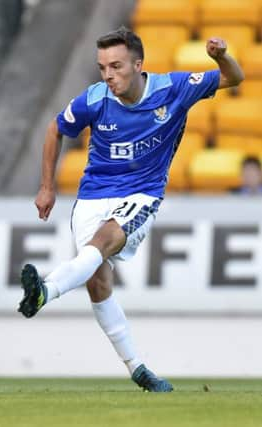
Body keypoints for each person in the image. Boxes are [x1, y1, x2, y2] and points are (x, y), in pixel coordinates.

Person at [17, 27, 244, 392]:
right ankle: (138, 369)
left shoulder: (174, 89)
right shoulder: (94, 99)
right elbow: (54, 129)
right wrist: (46, 187)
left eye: (116, 66)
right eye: (102, 67)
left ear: (138, 65)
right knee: (97, 280)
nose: (108, 75)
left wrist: (220, 57)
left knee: (103, 242)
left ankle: (45, 291)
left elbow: (235, 77)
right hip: (92, 195)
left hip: (142, 193)